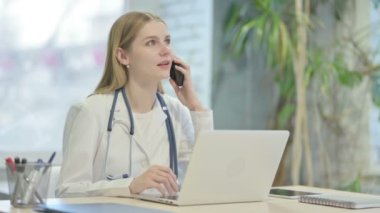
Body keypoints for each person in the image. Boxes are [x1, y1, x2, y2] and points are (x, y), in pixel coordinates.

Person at [55, 11, 213, 198]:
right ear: (123, 56)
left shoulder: (177, 112)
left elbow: (207, 179)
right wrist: (130, 186)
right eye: (151, 43)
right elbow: (67, 190)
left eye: (167, 41)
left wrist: (195, 106)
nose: (166, 50)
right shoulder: (91, 111)